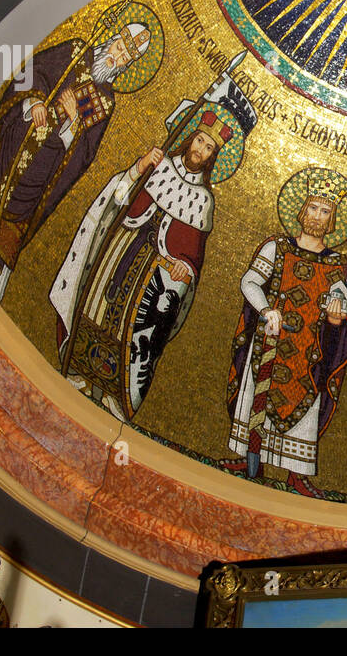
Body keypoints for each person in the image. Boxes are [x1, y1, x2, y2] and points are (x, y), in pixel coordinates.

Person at [49, 100, 233, 422]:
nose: (200, 150)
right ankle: (77, 369)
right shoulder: (159, 165)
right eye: (200, 141)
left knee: (133, 333)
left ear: (211, 158)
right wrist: (140, 166)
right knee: (95, 306)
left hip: (153, 277)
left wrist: (185, 268)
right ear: (191, 139)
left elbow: (194, 255)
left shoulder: (202, 201)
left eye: (207, 149)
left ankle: (115, 393)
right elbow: (120, 197)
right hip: (121, 249)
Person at [0, 23, 152, 298]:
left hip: (43, 169)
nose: (116, 58)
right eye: (119, 48)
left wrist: (73, 123)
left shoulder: (104, 101)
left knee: (14, 214)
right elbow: (35, 70)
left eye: (124, 59)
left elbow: (84, 155)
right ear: (113, 39)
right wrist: (35, 102)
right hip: (18, 137)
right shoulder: (76, 53)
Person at [221, 170, 347, 498]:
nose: (317, 216)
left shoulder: (341, 267)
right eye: (313, 208)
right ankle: (246, 458)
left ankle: (297, 475)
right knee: (256, 399)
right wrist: (267, 310)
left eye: (325, 212)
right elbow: (249, 282)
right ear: (302, 211)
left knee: (305, 409)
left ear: (333, 221)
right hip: (270, 341)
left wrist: (338, 321)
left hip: (309, 353)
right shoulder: (277, 247)